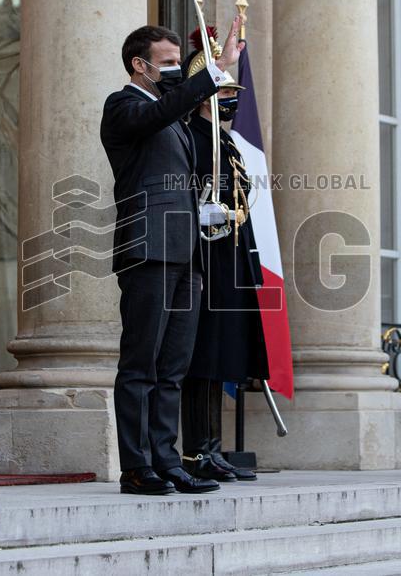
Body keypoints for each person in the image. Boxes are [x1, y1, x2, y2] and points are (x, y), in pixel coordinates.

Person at [100, 17, 241, 495]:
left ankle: (166, 459)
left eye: (181, 62)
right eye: (169, 63)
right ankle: (136, 466)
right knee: (141, 362)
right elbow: (155, 118)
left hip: (186, 250)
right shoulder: (123, 106)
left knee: (172, 366)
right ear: (139, 66)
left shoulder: (175, 120)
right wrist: (213, 71)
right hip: (148, 247)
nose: (177, 70)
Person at [179, 29, 266, 483]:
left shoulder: (226, 141)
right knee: (201, 357)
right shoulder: (191, 134)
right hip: (202, 257)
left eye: (233, 93)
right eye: (223, 92)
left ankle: (212, 448)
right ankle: (195, 450)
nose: (230, 100)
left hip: (229, 256)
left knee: (222, 355)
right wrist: (199, 208)